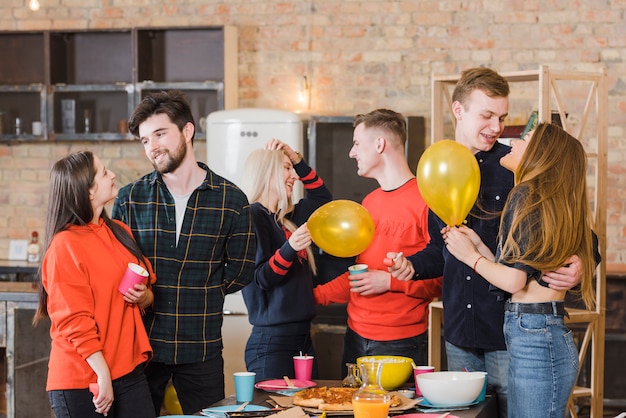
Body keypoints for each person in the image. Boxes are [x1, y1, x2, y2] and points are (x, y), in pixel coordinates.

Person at [389, 68, 583, 417]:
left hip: (512, 335)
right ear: (458, 110)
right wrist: (413, 266)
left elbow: (572, 226)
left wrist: (582, 263)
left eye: (502, 117)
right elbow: (442, 248)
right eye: (487, 115)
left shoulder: (518, 167)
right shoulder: (438, 169)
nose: (497, 127)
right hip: (460, 334)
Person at [111, 90, 257, 415]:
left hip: (201, 346)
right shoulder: (129, 199)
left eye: (160, 134)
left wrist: (202, 290)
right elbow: (117, 265)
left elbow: (242, 269)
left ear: (187, 131)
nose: (153, 147)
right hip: (141, 347)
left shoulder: (231, 200)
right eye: (146, 140)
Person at [443, 122, 597, 417]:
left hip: (535, 335)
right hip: (539, 331)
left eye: (524, 139)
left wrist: (470, 258)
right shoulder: (547, 200)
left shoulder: (525, 195)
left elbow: (513, 281)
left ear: (540, 154)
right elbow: (513, 272)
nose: (512, 141)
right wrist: (475, 247)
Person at [313, 109, 442, 374]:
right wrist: (312, 297)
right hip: (354, 337)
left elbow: (442, 278)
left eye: (357, 143)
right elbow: (360, 276)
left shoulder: (427, 201)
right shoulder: (369, 203)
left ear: (380, 144)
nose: (352, 152)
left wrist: (389, 281)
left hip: (400, 343)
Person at [33, 150, 156, 418]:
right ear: (88, 192)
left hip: (128, 371)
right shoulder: (65, 245)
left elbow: (147, 285)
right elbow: (74, 320)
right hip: (83, 379)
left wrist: (144, 297)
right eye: (103, 172)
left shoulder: (119, 232)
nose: (112, 175)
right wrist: (103, 374)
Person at [240, 138, 332, 381]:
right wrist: (290, 248)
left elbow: (322, 198)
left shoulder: (284, 219)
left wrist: (295, 158)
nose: (293, 175)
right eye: (286, 168)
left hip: (302, 339)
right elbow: (260, 278)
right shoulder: (252, 215)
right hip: (273, 344)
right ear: (267, 172)